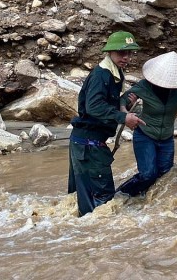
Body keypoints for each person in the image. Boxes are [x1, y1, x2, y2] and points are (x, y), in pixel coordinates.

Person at [67, 31, 145, 216]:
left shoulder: (113, 73)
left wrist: (123, 108)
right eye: (121, 53)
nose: (126, 57)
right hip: (89, 147)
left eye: (129, 53)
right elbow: (93, 106)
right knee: (102, 200)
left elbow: (104, 103)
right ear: (109, 52)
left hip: (85, 145)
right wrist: (123, 118)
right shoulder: (101, 75)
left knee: (83, 200)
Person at [117, 51, 177, 197]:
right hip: (145, 135)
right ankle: (121, 195)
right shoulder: (144, 86)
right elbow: (122, 100)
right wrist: (126, 111)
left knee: (165, 175)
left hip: (166, 138)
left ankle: (146, 203)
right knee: (148, 174)